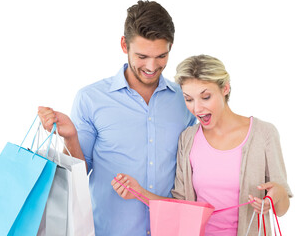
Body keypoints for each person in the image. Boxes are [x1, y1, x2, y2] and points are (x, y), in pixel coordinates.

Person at [38, 0, 196, 236]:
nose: (152, 66)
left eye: (161, 56)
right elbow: (77, 177)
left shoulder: (184, 100)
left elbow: (194, 168)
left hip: (171, 230)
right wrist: (70, 137)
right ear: (124, 44)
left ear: (170, 47)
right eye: (142, 56)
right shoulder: (91, 99)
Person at [112, 55, 293, 236]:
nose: (197, 109)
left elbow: (283, 207)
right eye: (189, 99)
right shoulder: (188, 139)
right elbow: (180, 205)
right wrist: (139, 192)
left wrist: (274, 196)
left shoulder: (263, 134)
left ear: (225, 88)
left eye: (205, 97)